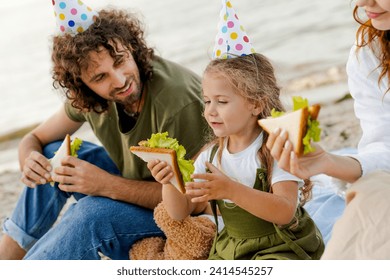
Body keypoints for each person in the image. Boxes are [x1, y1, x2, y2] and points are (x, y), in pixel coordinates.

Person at [0, 1, 207, 260]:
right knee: (52, 154)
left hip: (180, 214)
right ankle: (6, 257)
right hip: (138, 183)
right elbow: (35, 138)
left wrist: (106, 185)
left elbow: (195, 201)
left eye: (120, 61)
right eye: (100, 77)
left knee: (91, 214)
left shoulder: (178, 102)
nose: (120, 81)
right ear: (82, 85)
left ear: (132, 48)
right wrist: (29, 159)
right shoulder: (93, 99)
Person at [146, 0, 324, 260]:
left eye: (222, 101)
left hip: (280, 245)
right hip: (232, 248)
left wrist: (229, 190)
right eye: (207, 101)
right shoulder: (210, 157)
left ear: (255, 103)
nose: (210, 111)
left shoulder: (275, 147)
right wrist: (170, 181)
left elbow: (285, 211)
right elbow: (179, 212)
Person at [265, 0, 390, 258]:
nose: (362, 3)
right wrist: (327, 162)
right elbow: (384, 146)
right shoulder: (370, 51)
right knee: (370, 193)